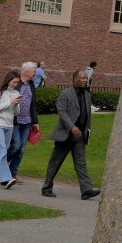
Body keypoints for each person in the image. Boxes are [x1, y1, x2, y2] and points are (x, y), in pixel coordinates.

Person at [42, 67, 100, 199]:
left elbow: (87, 115)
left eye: (86, 78)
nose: (86, 80)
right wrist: (72, 127)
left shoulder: (87, 94)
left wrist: (86, 131)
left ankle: (86, 191)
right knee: (55, 162)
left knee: (81, 163)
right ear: (74, 80)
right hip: (66, 135)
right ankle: (46, 187)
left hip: (79, 136)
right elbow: (62, 112)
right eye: (83, 78)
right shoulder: (65, 93)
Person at [5, 62, 40, 186]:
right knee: (15, 146)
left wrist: (35, 121)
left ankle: (12, 173)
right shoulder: (16, 84)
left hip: (27, 122)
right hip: (15, 121)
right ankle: (1, 168)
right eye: (34, 71)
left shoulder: (31, 85)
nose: (36, 73)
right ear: (26, 72)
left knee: (22, 149)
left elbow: (32, 103)